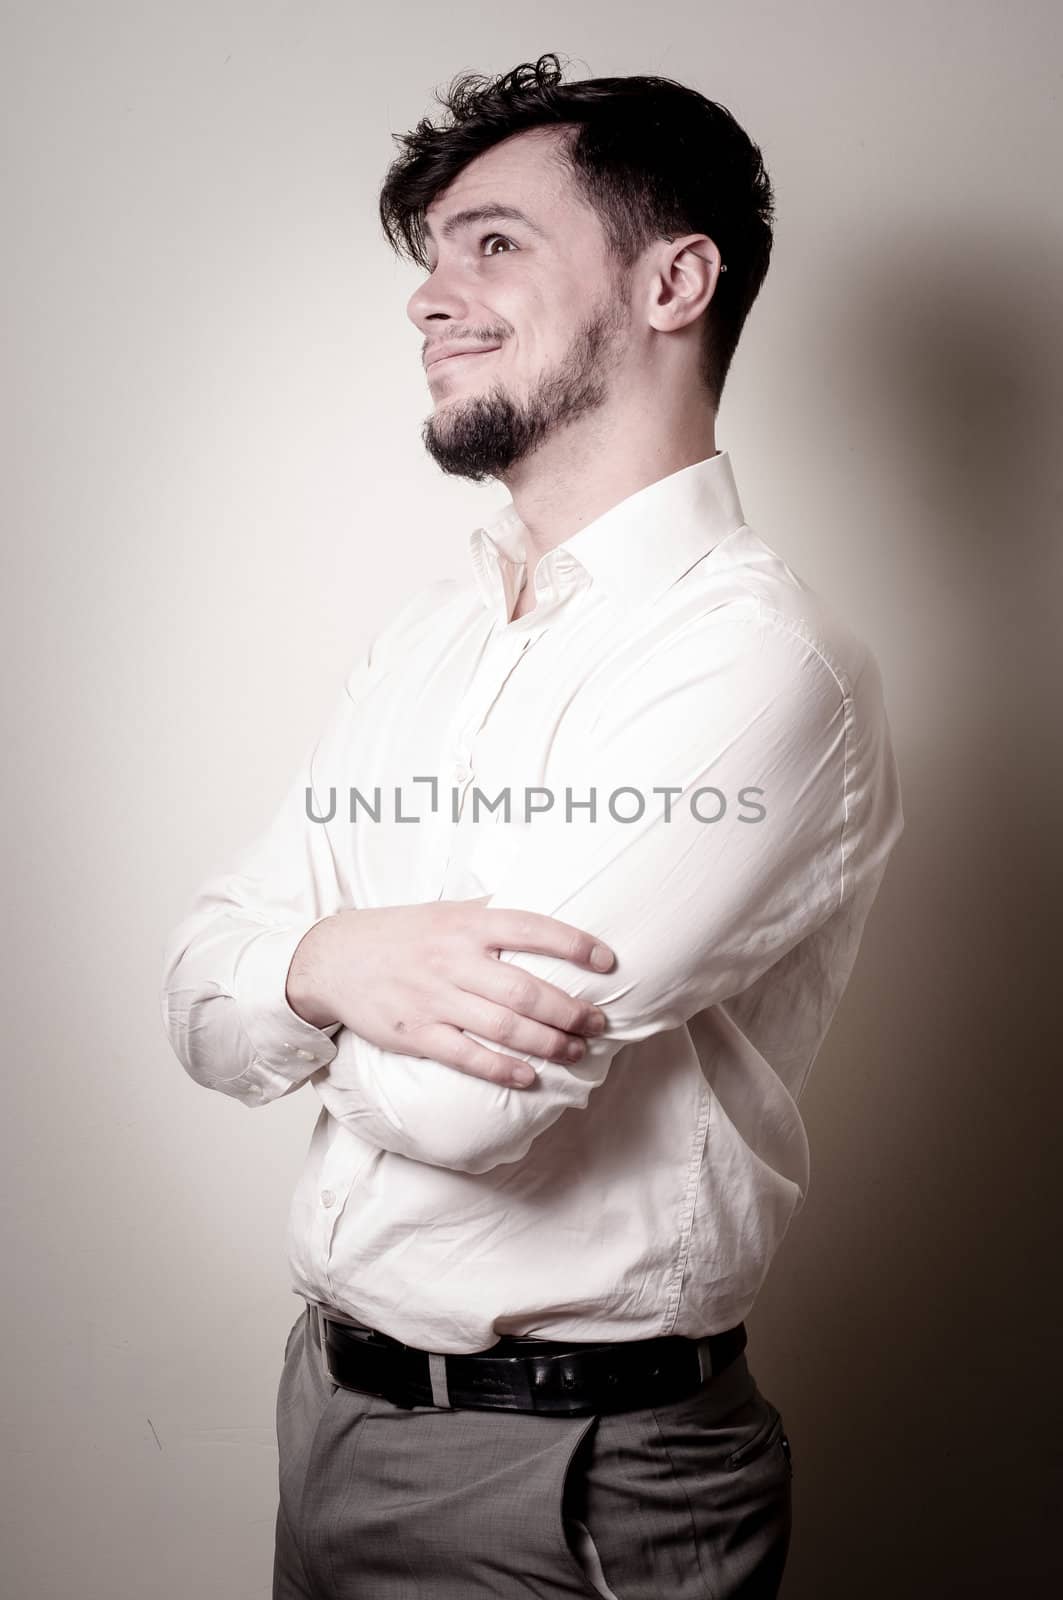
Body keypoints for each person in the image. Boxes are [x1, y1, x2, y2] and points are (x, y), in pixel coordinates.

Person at [160, 52, 904, 1600]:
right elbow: (197, 986)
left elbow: (465, 1116)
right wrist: (333, 960)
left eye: (493, 241)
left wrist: (286, 973)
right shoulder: (428, 637)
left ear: (673, 280)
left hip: (572, 1480)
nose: (432, 295)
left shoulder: (758, 663)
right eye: (430, 259)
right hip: (329, 1412)